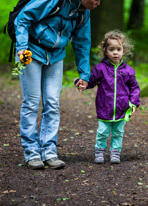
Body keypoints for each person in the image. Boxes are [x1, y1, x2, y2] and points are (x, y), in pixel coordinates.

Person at [14, 0, 101, 169]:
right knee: (31, 102)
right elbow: (23, 17)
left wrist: (84, 74)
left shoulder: (83, 13)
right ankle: (31, 152)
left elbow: (82, 42)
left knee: (52, 103)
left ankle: (49, 151)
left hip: (55, 56)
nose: (98, 2)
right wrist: (21, 47)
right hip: (30, 51)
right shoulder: (54, 1)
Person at [75, 30, 141, 164]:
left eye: (118, 49)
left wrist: (133, 103)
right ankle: (100, 151)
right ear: (105, 51)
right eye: (111, 49)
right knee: (102, 132)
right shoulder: (100, 68)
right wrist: (81, 83)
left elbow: (134, 88)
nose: (115, 52)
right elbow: (91, 82)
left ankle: (115, 152)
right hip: (104, 107)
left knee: (118, 132)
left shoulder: (128, 71)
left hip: (122, 108)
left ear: (124, 51)